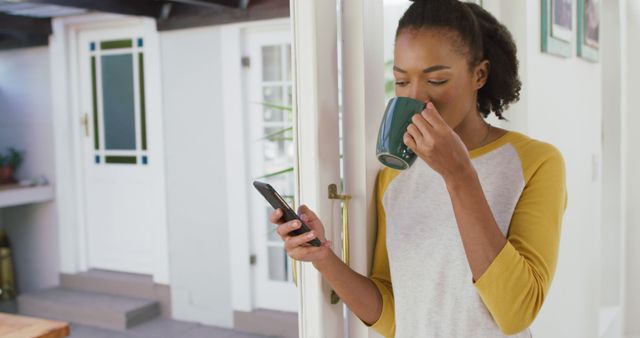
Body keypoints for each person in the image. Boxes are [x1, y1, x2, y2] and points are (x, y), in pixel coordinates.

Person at [269, 0, 567, 337]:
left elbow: (517, 312)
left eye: (437, 80)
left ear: (479, 75)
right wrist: (322, 256)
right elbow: (395, 315)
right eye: (401, 81)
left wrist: (458, 175)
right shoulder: (394, 176)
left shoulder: (536, 163)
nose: (417, 98)